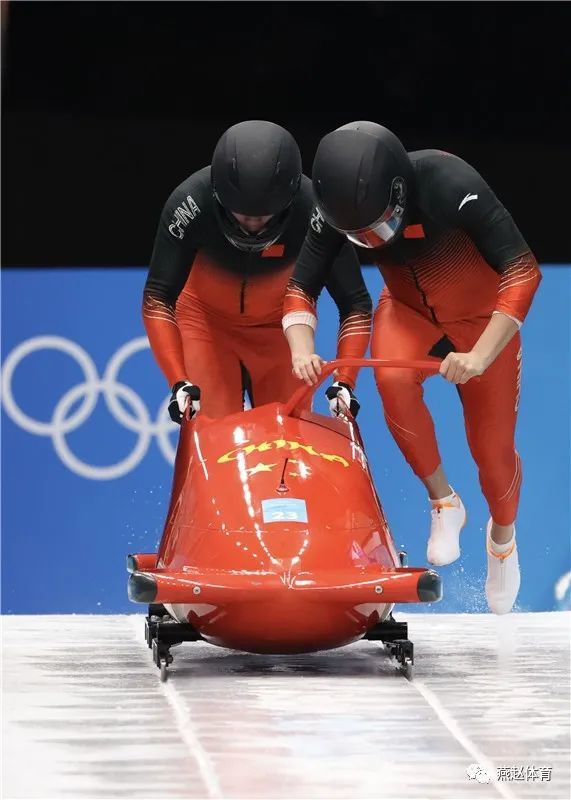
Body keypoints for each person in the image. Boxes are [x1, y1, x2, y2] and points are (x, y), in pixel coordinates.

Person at [282, 121, 542, 614]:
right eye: (357, 237)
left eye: (379, 228)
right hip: (408, 311)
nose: (372, 240)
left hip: (483, 320)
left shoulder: (451, 183)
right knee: (392, 379)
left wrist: (482, 355)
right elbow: (301, 288)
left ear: (400, 192)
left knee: (492, 454)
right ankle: (444, 501)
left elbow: (523, 271)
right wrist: (300, 346)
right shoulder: (333, 209)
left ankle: (503, 540)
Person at [143, 120, 372, 424]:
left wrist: (344, 380)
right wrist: (178, 381)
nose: (252, 226)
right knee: (213, 436)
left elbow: (355, 304)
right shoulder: (188, 205)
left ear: (289, 202)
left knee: (288, 442)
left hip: (282, 333)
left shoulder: (317, 211)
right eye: (241, 214)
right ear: (218, 195)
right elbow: (158, 298)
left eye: (264, 216)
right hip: (205, 327)